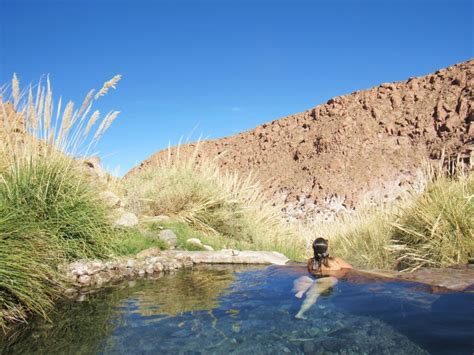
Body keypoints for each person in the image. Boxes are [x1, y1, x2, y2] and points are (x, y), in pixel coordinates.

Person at [293, 237, 352, 319]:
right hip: (326, 280)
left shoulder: (311, 261)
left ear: (314, 249)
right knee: (313, 295)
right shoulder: (335, 261)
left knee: (307, 282)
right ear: (326, 249)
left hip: (312, 280)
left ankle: (302, 291)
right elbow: (350, 268)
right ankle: (300, 313)